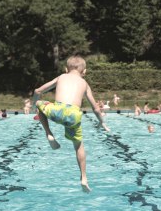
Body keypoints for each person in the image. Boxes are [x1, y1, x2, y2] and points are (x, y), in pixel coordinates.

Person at [33, 56, 110, 193]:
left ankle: (49, 134)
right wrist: (102, 122)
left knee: (40, 105)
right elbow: (96, 108)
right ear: (84, 71)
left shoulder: (61, 77)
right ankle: (84, 178)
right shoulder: (84, 84)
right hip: (73, 116)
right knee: (78, 146)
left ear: (66, 69)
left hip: (56, 111)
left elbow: (38, 91)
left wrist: (35, 103)